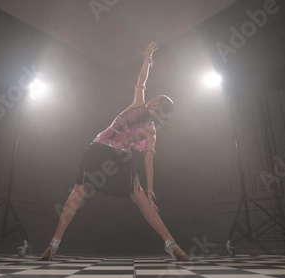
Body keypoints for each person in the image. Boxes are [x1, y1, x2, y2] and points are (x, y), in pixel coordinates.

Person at [41, 42, 190, 261]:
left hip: (116, 158)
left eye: (156, 102)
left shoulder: (148, 125)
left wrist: (149, 191)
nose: (152, 101)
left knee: (136, 198)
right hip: (100, 150)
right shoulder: (142, 113)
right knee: (79, 192)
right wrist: (147, 60)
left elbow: (148, 161)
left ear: (156, 106)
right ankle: (53, 244)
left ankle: (171, 245)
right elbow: (142, 81)